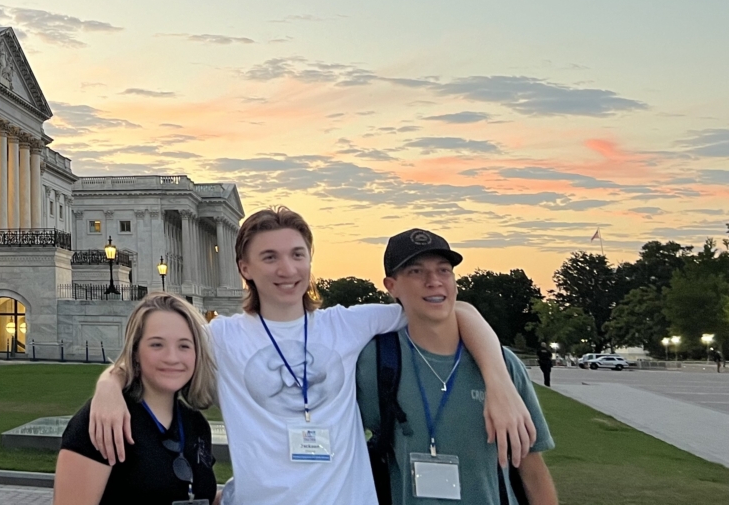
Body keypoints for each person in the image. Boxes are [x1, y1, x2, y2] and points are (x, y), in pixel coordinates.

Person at [88, 207, 536, 505]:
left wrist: (499, 385)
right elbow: (154, 353)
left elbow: (455, 308)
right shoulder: (221, 336)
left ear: (309, 260)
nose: (287, 269)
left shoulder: (347, 324)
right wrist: (108, 385)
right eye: (270, 257)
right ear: (245, 268)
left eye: (297, 255)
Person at [358, 229, 558, 505]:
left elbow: (532, 471)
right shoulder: (376, 361)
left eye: (444, 270)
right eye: (416, 272)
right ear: (391, 286)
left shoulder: (503, 365)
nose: (434, 281)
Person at [57, 293, 220, 505]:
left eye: (184, 346)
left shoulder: (196, 425)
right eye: (156, 345)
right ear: (135, 351)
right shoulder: (104, 421)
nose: (172, 357)